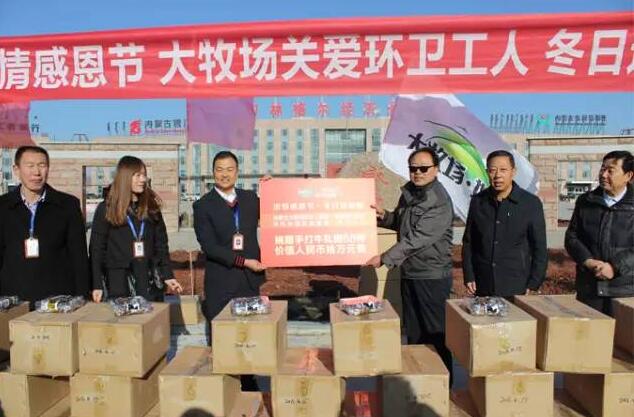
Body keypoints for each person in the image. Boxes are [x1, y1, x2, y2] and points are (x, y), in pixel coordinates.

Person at [366, 147, 454, 381]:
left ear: (436, 170)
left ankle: (443, 385)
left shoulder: (438, 201)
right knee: (414, 334)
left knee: (435, 335)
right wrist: (385, 216)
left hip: (431, 277)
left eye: (424, 168)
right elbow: (402, 223)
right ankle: (422, 382)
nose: (418, 173)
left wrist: (385, 258)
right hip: (411, 273)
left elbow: (418, 238)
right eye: (413, 168)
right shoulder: (411, 193)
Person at [193, 150, 265, 392]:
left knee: (248, 335)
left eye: (230, 169)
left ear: (237, 172)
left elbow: (276, 215)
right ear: (213, 173)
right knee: (223, 337)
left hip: (248, 281)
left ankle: (249, 382)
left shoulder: (250, 199)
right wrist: (244, 261)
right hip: (221, 282)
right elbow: (209, 246)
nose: (225, 174)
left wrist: (271, 191)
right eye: (220, 169)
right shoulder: (203, 205)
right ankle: (224, 387)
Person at [0, 145, 90, 305]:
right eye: (30, 166)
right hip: (13, 300)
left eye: (42, 165)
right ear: (16, 170)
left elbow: (79, 256)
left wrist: (82, 295)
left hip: (58, 300)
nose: (36, 172)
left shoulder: (67, 205)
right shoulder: (3, 207)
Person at [90, 156, 182, 302]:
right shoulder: (106, 208)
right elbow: (97, 249)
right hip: (118, 282)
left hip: (148, 280)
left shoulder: (151, 207)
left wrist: (168, 275)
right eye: (138, 175)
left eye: (144, 175)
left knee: (152, 315)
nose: (143, 179)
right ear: (125, 177)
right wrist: (97, 284)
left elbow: (161, 245)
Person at [462, 150, 547, 297]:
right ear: (487, 172)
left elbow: (539, 248)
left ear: (513, 172)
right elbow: (469, 243)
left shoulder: (530, 203)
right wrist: (469, 275)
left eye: (503, 170)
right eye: (492, 170)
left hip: (516, 285)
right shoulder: (478, 201)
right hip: (483, 284)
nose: (497, 175)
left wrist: (534, 283)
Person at [565, 150, 634, 316]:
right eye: (603, 169)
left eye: (611, 171)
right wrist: (588, 261)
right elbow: (572, 237)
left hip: (624, 290)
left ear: (628, 175)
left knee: (623, 333)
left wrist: (614, 267)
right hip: (590, 288)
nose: (603, 175)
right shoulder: (586, 201)